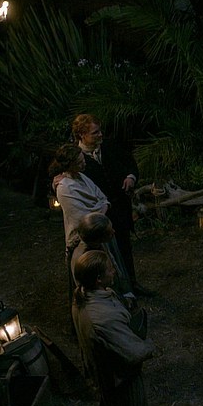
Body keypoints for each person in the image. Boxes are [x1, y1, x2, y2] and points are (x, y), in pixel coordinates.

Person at [72, 113, 153, 297]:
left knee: (124, 247)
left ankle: (132, 284)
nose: (100, 135)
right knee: (103, 254)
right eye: (95, 132)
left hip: (120, 209)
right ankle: (111, 292)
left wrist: (130, 177)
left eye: (100, 131)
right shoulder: (76, 158)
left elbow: (130, 163)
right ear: (82, 135)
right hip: (98, 216)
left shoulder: (110, 146)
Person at [72, 250, 155, 406]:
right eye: (110, 269)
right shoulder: (104, 318)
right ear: (98, 279)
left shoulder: (82, 296)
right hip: (120, 381)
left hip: (106, 377)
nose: (114, 271)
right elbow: (134, 353)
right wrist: (148, 345)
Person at [49, 144, 110, 278]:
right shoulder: (65, 187)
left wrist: (102, 207)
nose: (84, 164)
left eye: (83, 160)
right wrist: (100, 210)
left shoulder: (82, 177)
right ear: (70, 165)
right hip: (84, 239)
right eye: (79, 162)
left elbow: (102, 197)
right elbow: (81, 219)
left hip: (100, 230)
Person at [72, 212, 134, 306]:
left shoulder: (98, 244)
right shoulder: (86, 260)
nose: (114, 232)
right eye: (109, 232)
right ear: (98, 238)